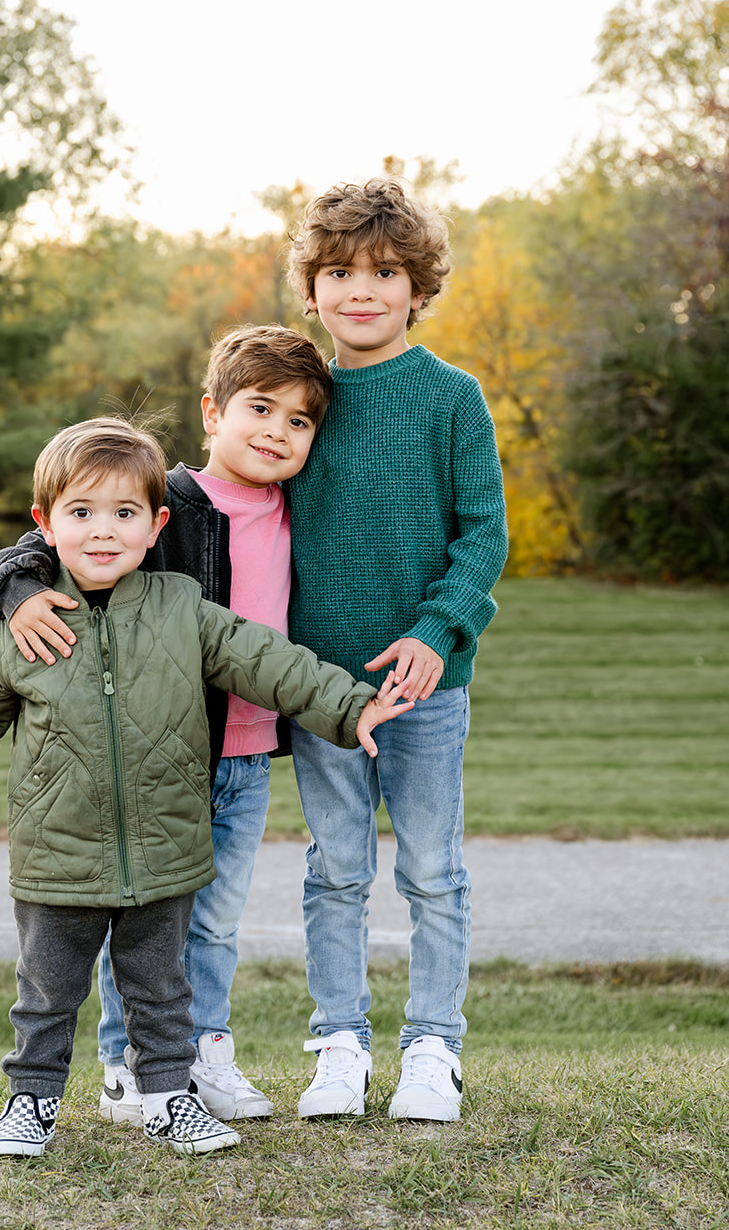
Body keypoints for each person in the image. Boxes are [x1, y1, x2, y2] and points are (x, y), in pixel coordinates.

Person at [0, 416, 411, 1159]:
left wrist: (347, 705)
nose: (102, 531)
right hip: (57, 855)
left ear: (155, 525)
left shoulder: (181, 608)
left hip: (164, 847)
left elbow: (268, 662)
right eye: (80, 513)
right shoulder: (30, 624)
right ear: (45, 524)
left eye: (123, 514)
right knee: (47, 993)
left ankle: (169, 1098)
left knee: (160, 989)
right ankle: (31, 1103)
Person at [0, 326, 338, 1126]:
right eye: (259, 409)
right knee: (130, 910)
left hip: (245, 753)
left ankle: (199, 1059)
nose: (277, 431)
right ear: (212, 412)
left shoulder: (302, 505)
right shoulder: (161, 499)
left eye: (299, 421)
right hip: (159, 749)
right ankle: (121, 1066)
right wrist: (12, 591)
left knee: (211, 923)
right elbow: (38, 547)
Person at [283, 176, 508, 1123]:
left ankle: (431, 1049)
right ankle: (339, 1041)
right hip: (320, 689)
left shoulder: (451, 398)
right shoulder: (297, 401)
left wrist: (433, 630)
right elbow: (223, 502)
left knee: (429, 870)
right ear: (312, 290)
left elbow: (482, 535)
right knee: (335, 869)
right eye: (338, 271)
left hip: (423, 687)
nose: (360, 289)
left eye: (383, 271)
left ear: (418, 288)